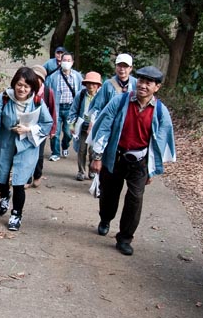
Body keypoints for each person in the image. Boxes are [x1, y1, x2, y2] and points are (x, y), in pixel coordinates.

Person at [89, 66, 176, 256]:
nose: (143, 86)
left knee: (135, 199)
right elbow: (104, 128)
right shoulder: (120, 101)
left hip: (140, 162)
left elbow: (161, 142)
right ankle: (105, 219)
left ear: (157, 87)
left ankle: (125, 238)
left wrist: (152, 169)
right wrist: (97, 157)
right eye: (141, 81)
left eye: (148, 83)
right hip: (115, 156)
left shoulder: (160, 111)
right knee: (108, 195)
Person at [0, 66, 54, 231]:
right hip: (5, 141)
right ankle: (4, 195)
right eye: (19, 85)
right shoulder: (3, 98)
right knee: (1, 175)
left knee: (20, 181)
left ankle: (16, 214)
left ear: (32, 88)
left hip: (27, 145)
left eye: (26, 86)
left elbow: (47, 123)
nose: (22, 89)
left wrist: (29, 130)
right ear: (14, 84)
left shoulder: (37, 102)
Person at [46, 52, 82, 161]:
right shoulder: (53, 77)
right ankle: (55, 153)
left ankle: (65, 145)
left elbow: (81, 92)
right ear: (60, 62)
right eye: (64, 60)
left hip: (71, 109)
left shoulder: (77, 77)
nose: (66, 62)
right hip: (56, 108)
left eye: (68, 60)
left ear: (72, 62)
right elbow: (48, 93)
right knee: (55, 132)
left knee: (68, 132)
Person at [68, 70, 102, 181]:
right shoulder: (81, 94)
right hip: (82, 126)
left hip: (96, 128)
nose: (91, 86)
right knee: (81, 150)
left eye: (94, 83)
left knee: (93, 151)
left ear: (98, 85)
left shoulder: (102, 96)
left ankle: (92, 170)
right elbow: (73, 110)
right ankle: (81, 171)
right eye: (89, 83)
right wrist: (71, 125)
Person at [27, 65, 56, 188]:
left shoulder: (48, 92)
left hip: (41, 128)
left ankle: (37, 175)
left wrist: (53, 129)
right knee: (26, 153)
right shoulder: (26, 90)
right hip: (27, 126)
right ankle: (26, 178)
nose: (36, 80)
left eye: (39, 78)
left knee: (38, 154)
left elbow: (53, 111)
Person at [89, 53, 136, 120]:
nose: (122, 69)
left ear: (131, 68)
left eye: (125, 66)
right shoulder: (108, 84)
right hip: (110, 123)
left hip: (130, 123)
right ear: (116, 66)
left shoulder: (136, 83)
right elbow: (97, 106)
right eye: (119, 65)